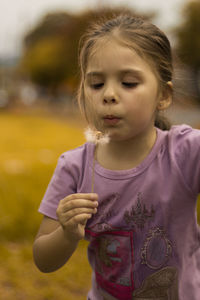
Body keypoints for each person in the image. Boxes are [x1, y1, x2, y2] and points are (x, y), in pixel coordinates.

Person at [33, 14, 200, 300]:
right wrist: (67, 234)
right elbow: (43, 259)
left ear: (163, 95)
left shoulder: (185, 153)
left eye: (129, 83)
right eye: (96, 84)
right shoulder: (74, 168)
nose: (109, 94)